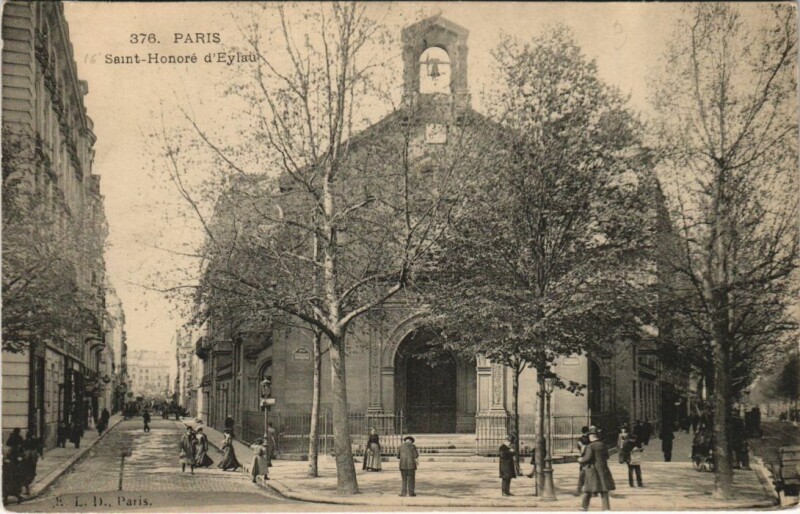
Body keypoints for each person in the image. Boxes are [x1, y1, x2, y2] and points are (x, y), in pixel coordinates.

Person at [578, 426, 615, 511]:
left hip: (593, 470)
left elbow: (587, 458)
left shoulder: (590, 446)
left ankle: (584, 507)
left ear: (591, 436)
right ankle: (606, 509)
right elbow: (607, 456)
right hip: (603, 470)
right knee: (604, 490)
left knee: (588, 489)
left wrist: (580, 459)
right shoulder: (603, 445)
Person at [3, 436, 24, 504]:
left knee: (8, 485)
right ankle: (15, 497)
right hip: (10, 470)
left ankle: (7, 499)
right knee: (9, 485)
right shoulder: (13, 449)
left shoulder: (12, 450)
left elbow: (8, 459)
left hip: (10, 470)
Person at [575, 426, 590, 494]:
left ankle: (580, 488)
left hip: (582, 456)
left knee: (582, 472)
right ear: (587, 431)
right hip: (587, 456)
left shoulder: (580, 439)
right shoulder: (588, 438)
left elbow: (578, 447)